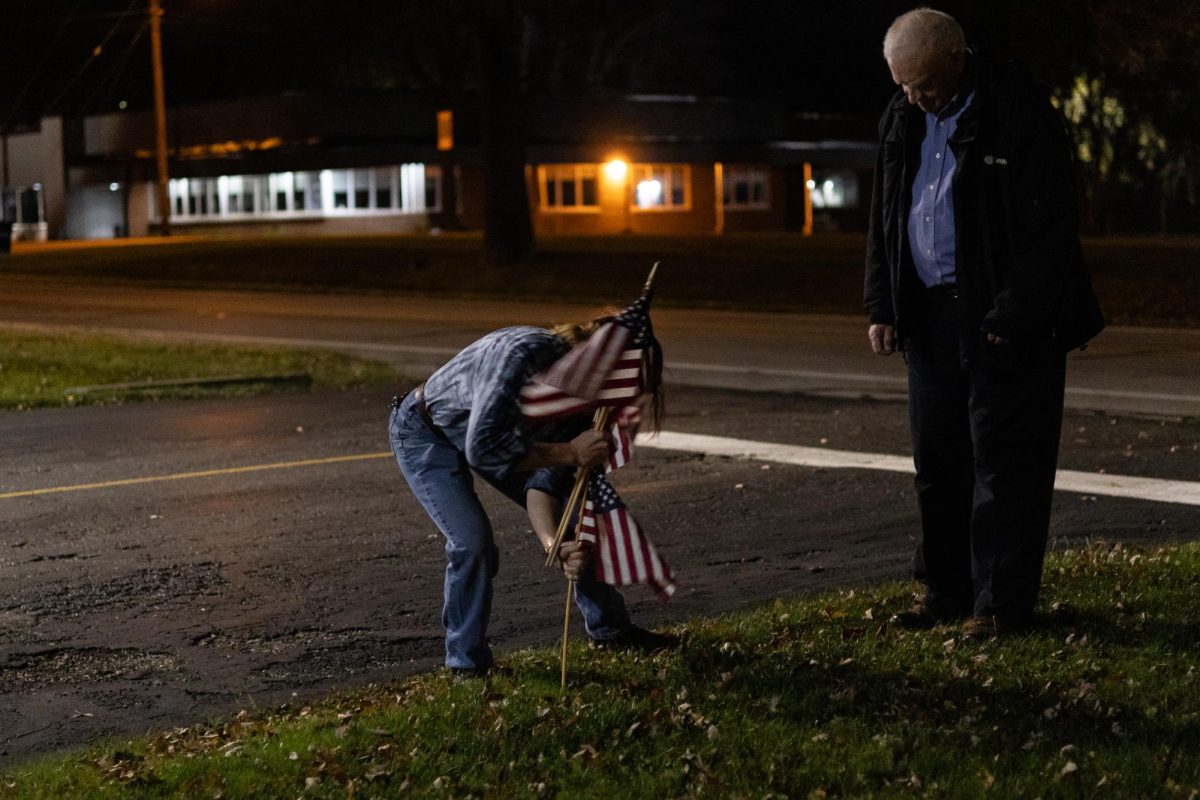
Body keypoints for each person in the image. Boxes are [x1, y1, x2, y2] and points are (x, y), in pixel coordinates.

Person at [863, 8, 1104, 638]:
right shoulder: (901, 115)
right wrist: (882, 304)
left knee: (1007, 466)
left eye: (923, 84)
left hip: (1002, 322)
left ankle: (1000, 605)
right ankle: (944, 591)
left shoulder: (1016, 110)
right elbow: (885, 217)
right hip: (929, 317)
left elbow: (1051, 228)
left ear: (956, 57)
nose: (913, 98)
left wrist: (1013, 314)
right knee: (937, 464)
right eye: (902, 85)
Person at [388, 318, 674, 676]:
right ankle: (466, 664)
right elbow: (484, 447)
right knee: (471, 542)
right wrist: (571, 451)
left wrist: (556, 544)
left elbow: (546, 485)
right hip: (427, 432)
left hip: (496, 440)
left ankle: (611, 631)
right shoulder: (520, 354)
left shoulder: (588, 402)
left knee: (578, 520)